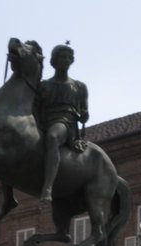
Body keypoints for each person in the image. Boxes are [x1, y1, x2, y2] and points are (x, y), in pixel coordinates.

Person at [35, 42, 88, 204]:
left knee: (52, 137)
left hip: (64, 121)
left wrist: (84, 115)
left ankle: (48, 187)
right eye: (62, 57)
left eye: (69, 57)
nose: (66, 60)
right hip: (43, 120)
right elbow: (35, 107)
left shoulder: (79, 87)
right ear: (54, 61)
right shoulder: (43, 86)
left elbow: (84, 111)